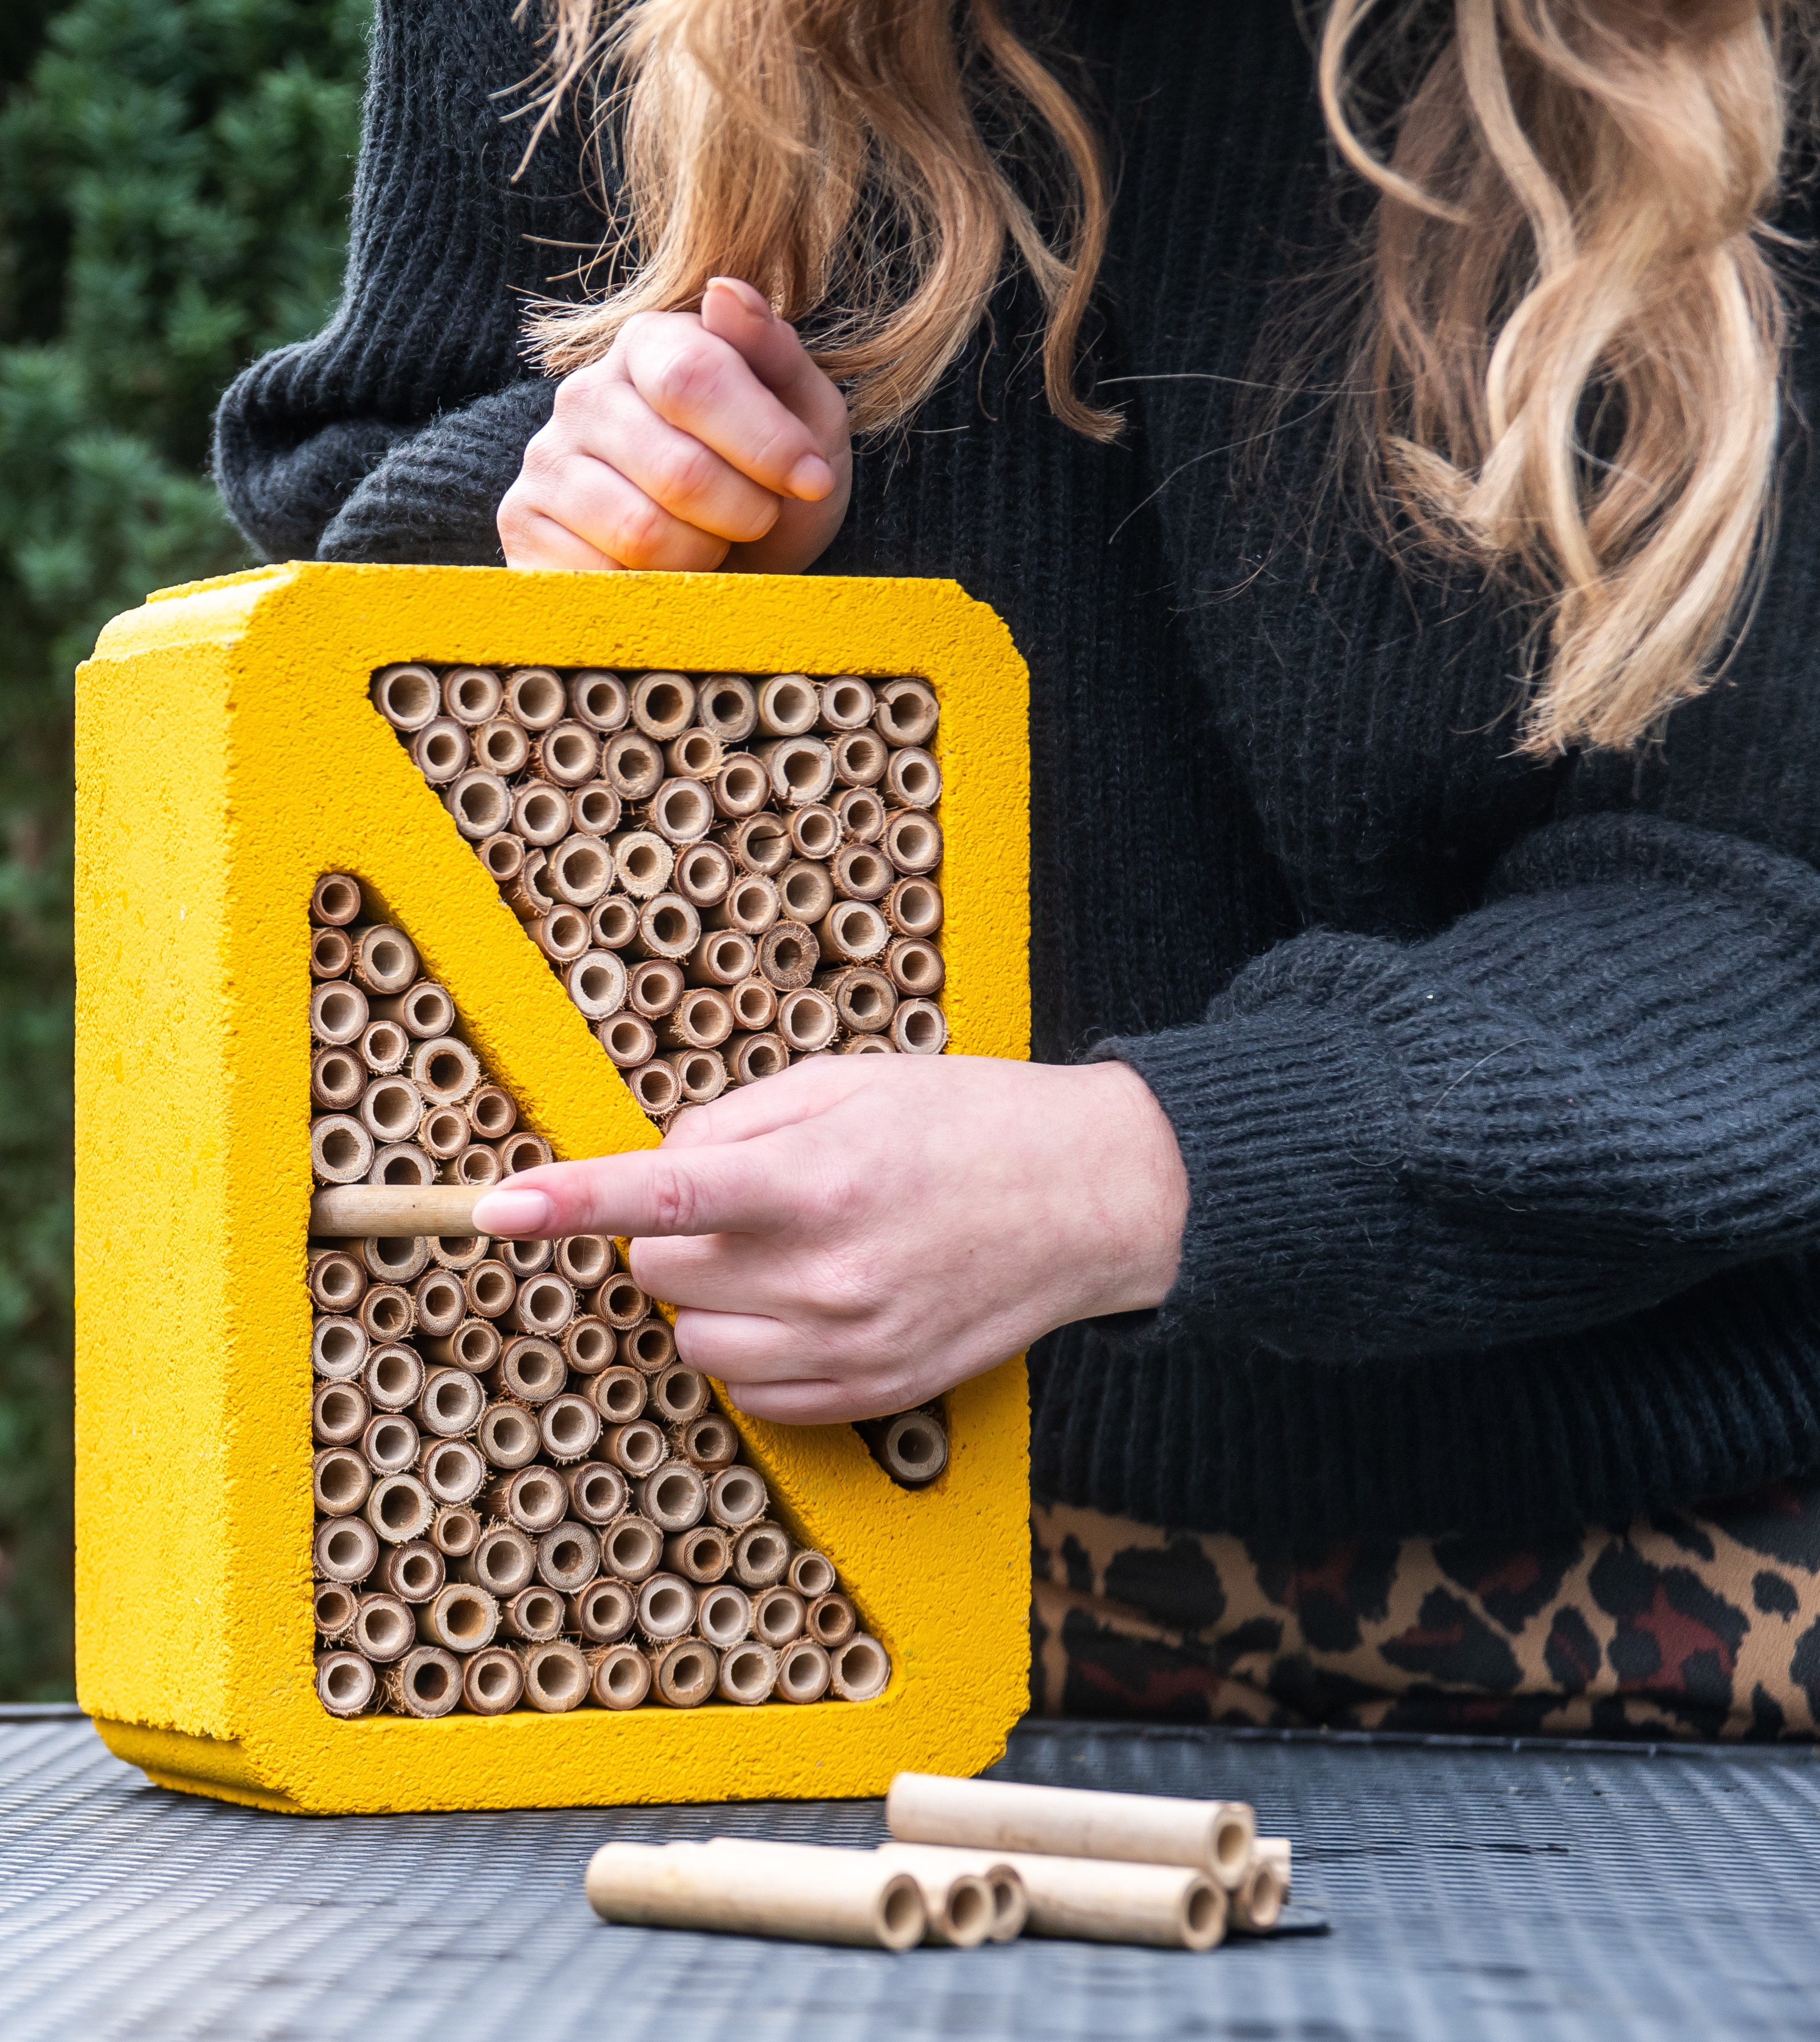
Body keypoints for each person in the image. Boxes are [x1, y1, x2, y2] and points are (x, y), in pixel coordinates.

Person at [216, 0, 1820, 1739]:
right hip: (797, 1588)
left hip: (1665, 1590)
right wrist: (580, 531)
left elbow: (1766, 907)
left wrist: (1149, 1167)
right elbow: (363, 539)